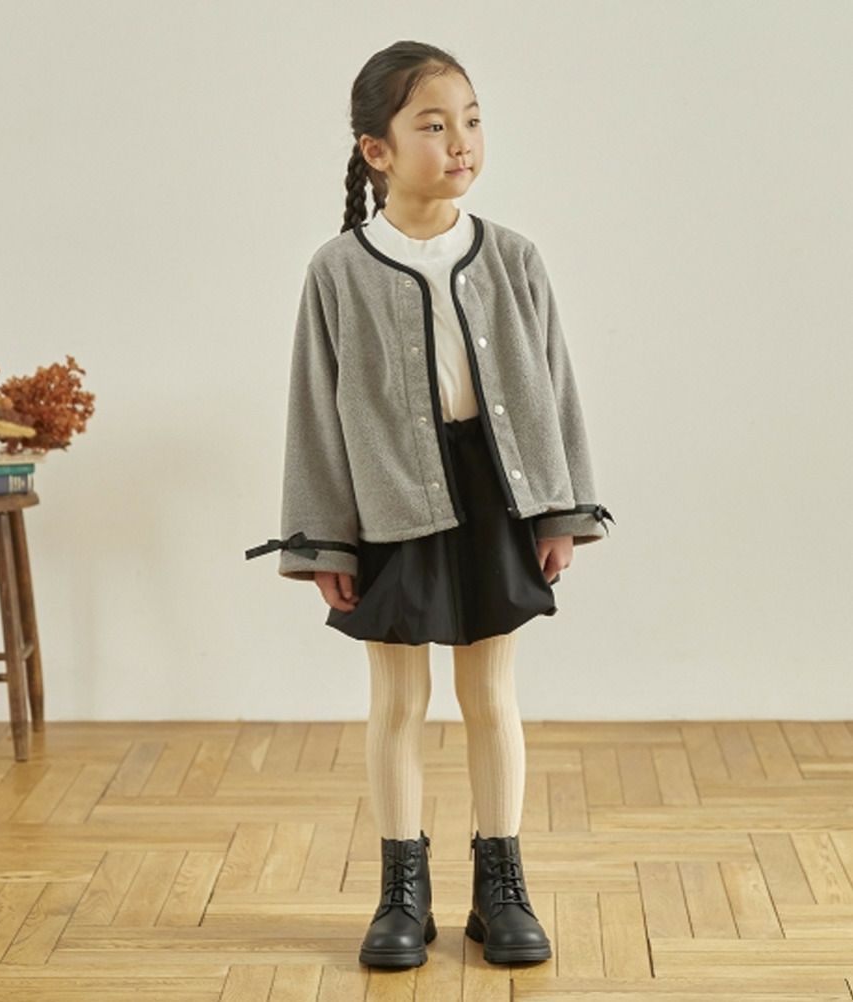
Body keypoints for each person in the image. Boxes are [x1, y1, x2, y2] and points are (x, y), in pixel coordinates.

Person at [245, 40, 614, 970]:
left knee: (490, 692)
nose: (461, 142)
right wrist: (325, 540)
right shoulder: (337, 269)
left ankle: (502, 888)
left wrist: (560, 511)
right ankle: (401, 895)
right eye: (435, 125)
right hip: (388, 502)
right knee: (398, 698)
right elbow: (315, 413)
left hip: (500, 495)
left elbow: (556, 390)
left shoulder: (515, 257)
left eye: (473, 121)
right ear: (376, 150)